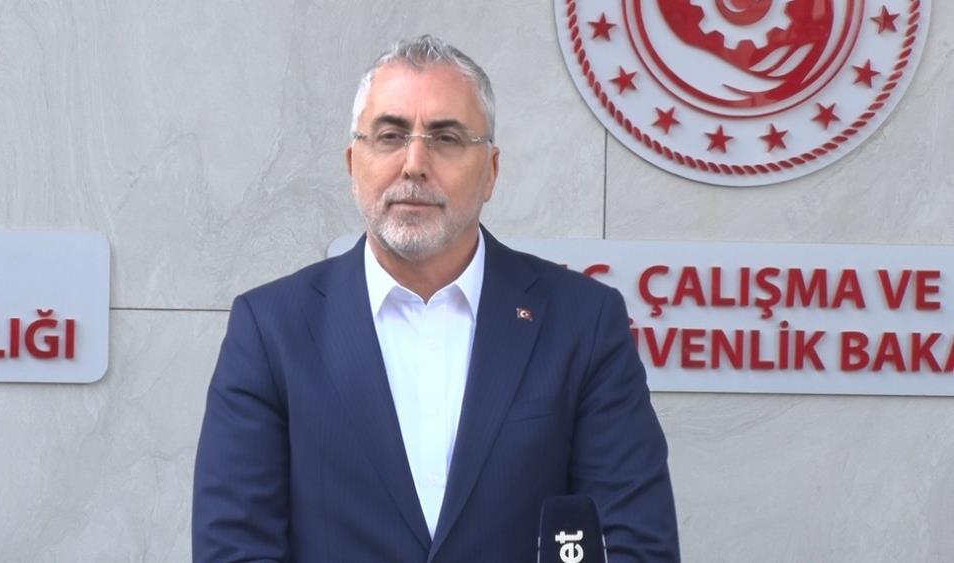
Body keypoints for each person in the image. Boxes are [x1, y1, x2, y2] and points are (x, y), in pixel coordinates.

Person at [193, 35, 679, 562]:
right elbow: (234, 548)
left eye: (446, 138)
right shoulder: (272, 330)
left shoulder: (582, 323)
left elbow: (635, 543)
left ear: (491, 172)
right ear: (353, 163)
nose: (414, 164)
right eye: (390, 135)